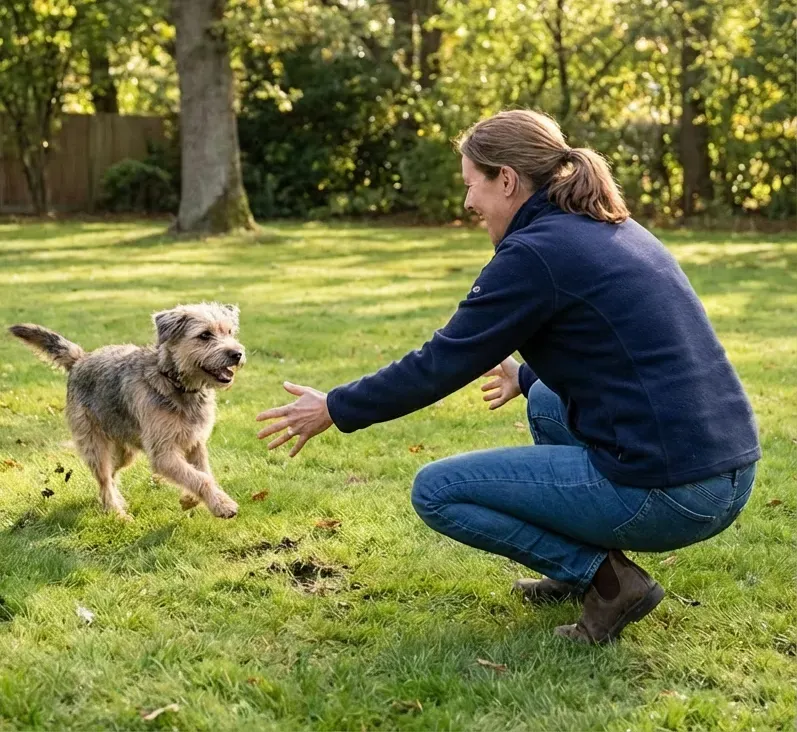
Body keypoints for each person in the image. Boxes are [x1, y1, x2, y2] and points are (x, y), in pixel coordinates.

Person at [255, 109, 760, 644]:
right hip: (725, 471)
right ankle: (575, 573)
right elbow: (610, 336)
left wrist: (335, 406)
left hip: (675, 491)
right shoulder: (607, 225)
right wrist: (526, 374)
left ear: (508, 180)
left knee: (438, 491)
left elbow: (442, 361)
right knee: (544, 402)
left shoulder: (535, 252)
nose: (468, 202)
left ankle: (608, 581)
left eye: (472, 185)